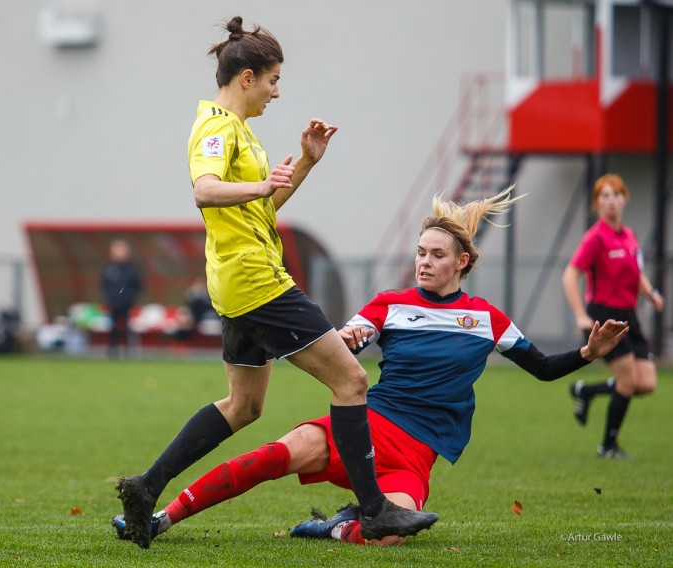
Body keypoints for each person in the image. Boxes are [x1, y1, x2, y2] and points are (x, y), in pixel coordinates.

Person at [111, 187, 628, 547]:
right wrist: (349, 338)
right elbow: (340, 358)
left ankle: (335, 526)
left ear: (462, 262)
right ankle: (160, 519)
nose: (425, 262)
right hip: (368, 423)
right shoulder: (390, 304)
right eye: (420, 252)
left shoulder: (487, 318)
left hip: (416, 453)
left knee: (391, 538)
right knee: (272, 456)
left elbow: (540, 368)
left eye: (437, 255)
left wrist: (587, 355)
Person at [114, 15, 438, 549]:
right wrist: (263, 181)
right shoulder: (217, 126)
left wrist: (305, 165)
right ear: (246, 77)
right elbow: (205, 190)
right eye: (273, 80)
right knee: (352, 381)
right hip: (258, 282)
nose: (277, 91)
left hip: (238, 284)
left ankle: (147, 488)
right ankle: (376, 510)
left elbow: (257, 210)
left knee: (244, 407)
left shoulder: (242, 132)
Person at [562, 173, 662, 459]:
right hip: (604, 316)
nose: (611, 200)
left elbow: (637, 272)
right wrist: (580, 315)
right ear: (597, 203)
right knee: (628, 382)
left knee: (646, 384)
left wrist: (651, 293)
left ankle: (586, 391)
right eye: (604, 196)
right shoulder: (595, 238)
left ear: (624, 198)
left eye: (615, 194)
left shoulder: (630, 236)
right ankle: (608, 446)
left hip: (629, 315)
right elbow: (569, 276)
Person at [100, 239, 143, 357]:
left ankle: (129, 351)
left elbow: (136, 285)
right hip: (113, 303)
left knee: (127, 327)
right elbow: (104, 285)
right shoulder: (109, 267)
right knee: (112, 328)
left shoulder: (131, 268)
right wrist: (110, 297)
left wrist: (127, 297)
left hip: (127, 304)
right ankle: (112, 350)